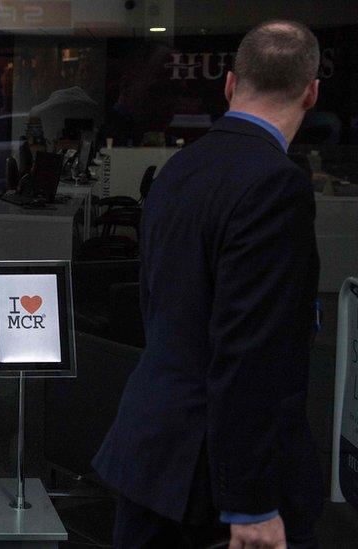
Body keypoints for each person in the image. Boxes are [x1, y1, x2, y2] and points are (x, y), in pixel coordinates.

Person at [92, 20, 322, 549]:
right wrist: (252, 503)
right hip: (213, 488)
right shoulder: (277, 184)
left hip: (151, 455)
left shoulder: (179, 168)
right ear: (311, 92)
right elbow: (252, 351)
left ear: (229, 84)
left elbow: (158, 306)